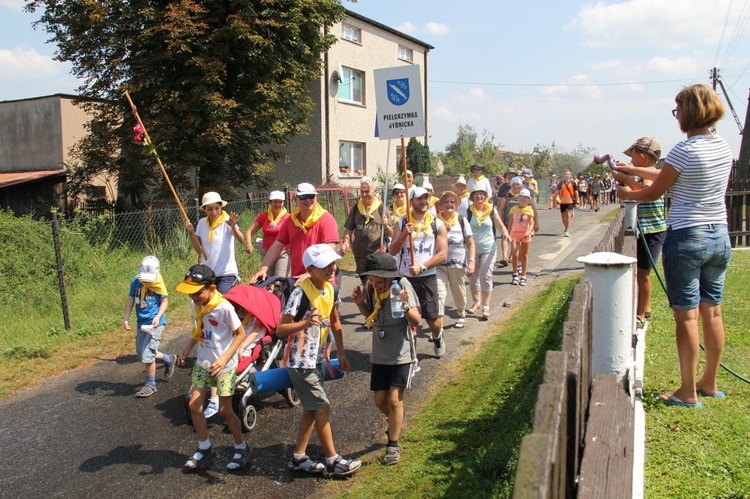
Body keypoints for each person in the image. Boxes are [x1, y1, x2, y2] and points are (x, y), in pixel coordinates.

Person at [616, 84, 733, 408]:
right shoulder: (722, 146)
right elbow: (664, 172)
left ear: (691, 112)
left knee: (687, 318)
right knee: (713, 311)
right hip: (719, 237)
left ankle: (687, 391)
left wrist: (627, 194)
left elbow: (653, 191)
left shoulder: (684, 150)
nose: (677, 115)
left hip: (687, 237)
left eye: (678, 109)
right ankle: (708, 382)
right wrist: (631, 170)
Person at [276, 244, 361, 477]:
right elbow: (281, 329)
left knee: (312, 411)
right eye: (325, 265)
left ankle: (298, 458)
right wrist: (305, 323)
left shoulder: (331, 289)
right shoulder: (299, 293)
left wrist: (341, 354)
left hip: (318, 360)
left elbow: (336, 323)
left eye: (333, 264)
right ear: (311, 269)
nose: (332, 269)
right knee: (322, 407)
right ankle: (333, 461)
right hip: (300, 362)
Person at [176, 264, 250, 471]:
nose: (193, 297)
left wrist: (225, 358)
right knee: (194, 406)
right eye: (190, 294)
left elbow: (241, 333)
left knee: (225, 410)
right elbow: (198, 329)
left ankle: (241, 447)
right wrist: (187, 347)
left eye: (197, 293)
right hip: (204, 362)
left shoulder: (223, 307)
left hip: (223, 366)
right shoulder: (196, 306)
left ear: (212, 288)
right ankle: (204, 447)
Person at [350, 252, 421, 465]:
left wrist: (406, 306)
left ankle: (393, 445)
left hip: (401, 354)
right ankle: (396, 422)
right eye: (371, 280)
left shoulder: (403, 287)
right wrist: (360, 304)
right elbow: (371, 314)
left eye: (378, 281)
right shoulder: (372, 289)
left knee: (393, 399)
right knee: (380, 400)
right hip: (380, 354)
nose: (374, 284)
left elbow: (416, 319)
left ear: (390, 277)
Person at [389, 187, 448, 357]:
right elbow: (392, 250)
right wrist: (403, 235)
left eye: (426, 198)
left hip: (427, 277)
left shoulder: (437, 224)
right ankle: (410, 358)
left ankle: (437, 336)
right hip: (405, 278)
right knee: (407, 319)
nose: (423, 202)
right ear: (411, 202)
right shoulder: (401, 223)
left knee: (432, 320)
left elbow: (442, 253)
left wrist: (422, 267)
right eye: (419, 199)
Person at [252, 183, 340, 283]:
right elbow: (277, 245)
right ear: (295, 200)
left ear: (316, 197)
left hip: (322, 281)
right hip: (299, 280)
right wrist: (263, 269)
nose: (308, 200)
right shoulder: (291, 220)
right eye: (303, 197)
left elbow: (328, 250)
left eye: (311, 196)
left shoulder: (326, 219)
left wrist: (310, 273)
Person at [123, 255, 175, 397]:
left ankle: (150, 384)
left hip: (155, 324)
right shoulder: (136, 281)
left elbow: (164, 301)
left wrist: (158, 317)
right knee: (141, 353)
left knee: (147, 354)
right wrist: (126, 318)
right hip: (141, 322)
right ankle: (168, 359)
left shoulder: (158, 282)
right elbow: (130, 300)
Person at [186, 192, 244, 295]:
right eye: (210, 209)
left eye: (217, 208)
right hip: (208, 273)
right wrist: (191, 233)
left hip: (226, 273)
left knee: (223, 302)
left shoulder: (227, 221)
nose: (214, 212)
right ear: (204, 209)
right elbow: (199, 249)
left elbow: (241, 239)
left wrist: (233, 227)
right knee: (208, 303)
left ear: (221, 206)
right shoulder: (202, 223)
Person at [466, 185, 509, 318]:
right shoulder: (468, 212)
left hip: (488, 248)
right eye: (476, 194)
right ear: (472, 197)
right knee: (473, 278)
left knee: (486, 276)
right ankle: (476, 302)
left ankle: (486, 306)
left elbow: (500, 225)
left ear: (485, 197)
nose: (479, 196)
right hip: (472, 250)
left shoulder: (491, 210)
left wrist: (505, 233)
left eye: (482, 194)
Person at [436, 191, 475, 328]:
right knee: (439, 294)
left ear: (456, 205)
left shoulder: (462, 220)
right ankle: (438, 327)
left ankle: (460, 313)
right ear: (440, 205)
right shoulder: (434, 221)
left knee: (458, 291)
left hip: (457, 265)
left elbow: (470, 243)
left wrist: (471, 261)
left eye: (452, 202)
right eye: (446, 202)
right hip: (438, 265)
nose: (449, 205)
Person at [341, 179, 392, 281]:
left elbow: (391, 234)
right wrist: (346, 241)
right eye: (362, 191)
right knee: (364, 281)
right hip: (360, 254)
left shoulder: (382, 209)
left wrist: (386, 225)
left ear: (375, 191)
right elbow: (349, 228)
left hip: (377, 253)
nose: (364, 194)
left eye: (367, 191)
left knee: (376, 282)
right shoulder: (356, 209)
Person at [245, 190, 291, 278]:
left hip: (283, 252)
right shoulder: (263, 216)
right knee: (269, 281)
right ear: (269, 202)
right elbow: (249, 231)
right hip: (267, 252)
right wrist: (248, 243)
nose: (277, 204)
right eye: (275, 202)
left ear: (283, 203)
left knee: (280, 281)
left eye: (280, 202)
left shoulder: (289, 217)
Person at [507, 189, 535, 286]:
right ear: (518, 198)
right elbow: (510, 222)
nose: (523, 199)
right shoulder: (513, 209)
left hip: (525, 234)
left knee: (524, 256)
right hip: (515, 233)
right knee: (514, 254)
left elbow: (531, 223)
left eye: (526, 198)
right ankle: (515, 274)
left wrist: (529, 231)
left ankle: (523, 276)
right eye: (521, 197)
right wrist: (508, 233)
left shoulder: (529, 210)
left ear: (528, 200)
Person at [557, 170, 579, 237]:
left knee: (568, 215)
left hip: (570, 201)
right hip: (562, 202)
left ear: (570, 175)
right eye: (565, 174)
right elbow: (557, 192)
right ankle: (566, 227)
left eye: (568, 174)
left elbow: (576, 192)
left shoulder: (573, 183)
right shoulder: (561, 183)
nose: (566, 175)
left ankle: (567, 231)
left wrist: (577, 202)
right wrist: (557, 199)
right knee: (563, 217)